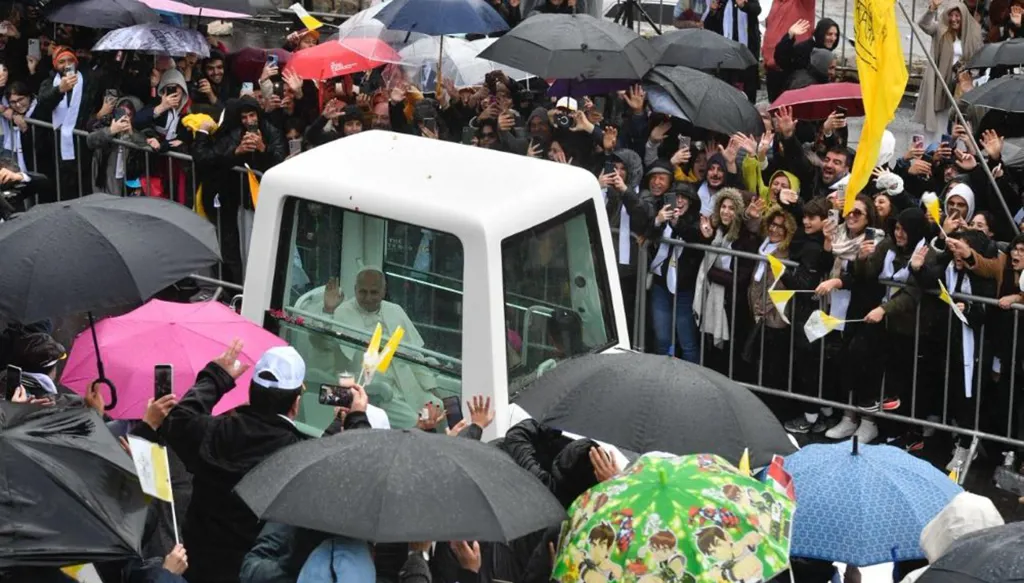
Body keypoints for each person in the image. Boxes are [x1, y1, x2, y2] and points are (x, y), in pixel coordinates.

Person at [160, 340, 372, 583]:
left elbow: (177, 421)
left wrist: (216, 377)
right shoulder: (297, 456)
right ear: (296, 403)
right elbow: (337, 467)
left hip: (195, 568)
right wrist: (354, 418)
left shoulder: (214, 432)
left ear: (251, 391)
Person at [321, 267, 440, 415]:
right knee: (413, 420)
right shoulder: (343, 312)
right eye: (363, 292)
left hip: (405, 383)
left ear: (384, 291)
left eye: (374, 292)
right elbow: (324, 344)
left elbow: (415, 355)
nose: (368, 298)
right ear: (355, 289)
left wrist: (431, 388)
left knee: (438, 407)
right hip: (372, 390)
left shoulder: (395, 310)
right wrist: (328, 311)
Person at [914, 0, 983, 142]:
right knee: (938, 119)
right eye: (951, 15)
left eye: (957, 16)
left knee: (959, 120)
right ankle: (931, 150)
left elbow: (978, 61)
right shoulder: (941, 31)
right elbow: (924, 25)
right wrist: (932, 8)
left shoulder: (972, 36)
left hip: (960, 85)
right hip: (940, 83)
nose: (954, 19)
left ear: (963, 17)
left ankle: (956, 152)